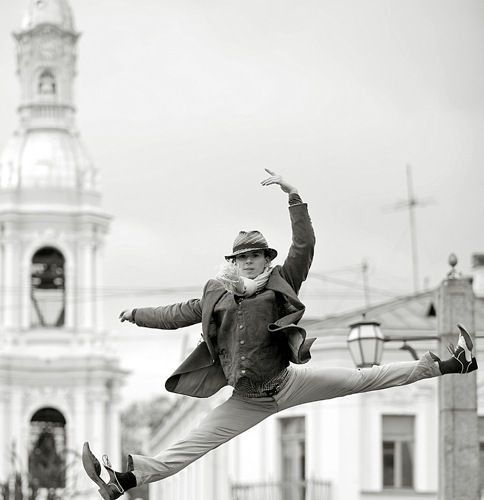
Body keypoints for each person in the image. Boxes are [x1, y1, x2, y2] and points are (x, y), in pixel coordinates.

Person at [82, 169, 478, 500]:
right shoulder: (215, 296)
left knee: (363, 378)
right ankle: (124, 481)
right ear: (234, 264)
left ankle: (450, 363)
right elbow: (176, 313)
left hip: (288, 383)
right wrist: (136, 314)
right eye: (242, 258)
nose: (249, 262)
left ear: (266, 259)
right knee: (191, 446)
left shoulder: (281, 282)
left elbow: (304, 246)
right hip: (246, 400)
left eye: (255, 256)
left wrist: (295, 199)